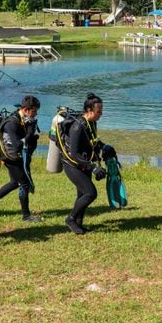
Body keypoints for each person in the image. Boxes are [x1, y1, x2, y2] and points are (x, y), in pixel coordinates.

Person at [60, 93, 107, 234]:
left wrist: (105, 147)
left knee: (82, 194)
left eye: (101, 111)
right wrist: (93, 168)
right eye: (99, 112)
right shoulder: (77, 127)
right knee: (90, 193)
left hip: (84, 162)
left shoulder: (91, 123)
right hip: (72, 164)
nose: (101, 114)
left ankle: (79, 224)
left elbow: (93, 141)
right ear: (89, 111)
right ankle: (70, 219)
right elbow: (74, 154)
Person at [0, 95, 43, 222]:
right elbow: (17, 144)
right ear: (25, 110)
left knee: (14, 183)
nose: (35, 114)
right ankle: (26, 215)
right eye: (34, 111)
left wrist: (31, 134)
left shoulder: (24, 119)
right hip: (11, 158)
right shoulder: (11, 123)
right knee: (24, 183)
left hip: (17, 156)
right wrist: (30, 134)